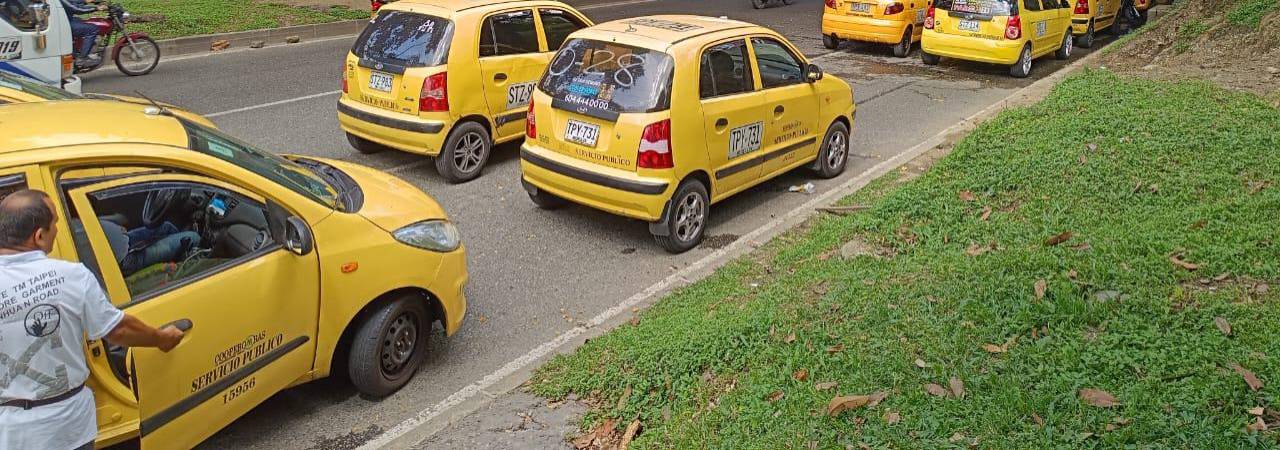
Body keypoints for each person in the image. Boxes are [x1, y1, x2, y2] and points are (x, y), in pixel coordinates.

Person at [0, 189, 184, 450]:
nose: (57, 231)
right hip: (67, 425)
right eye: (55, 225)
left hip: (11, 432)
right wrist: (162, 338)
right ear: (39, 236)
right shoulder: (71, 276)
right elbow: (118, 331)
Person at [98, 216, 201, 277]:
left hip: (124, 238)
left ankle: (176, 252)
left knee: (166, 226)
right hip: (125, 258)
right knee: (193, 237)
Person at [60, 0, 100, 66]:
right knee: (92, 29)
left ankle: (76, 51)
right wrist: (96, 8)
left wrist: (85, 1)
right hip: (64, 23)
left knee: (81, 20)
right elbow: (75, 8)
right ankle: (82, 58)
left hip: (66, 19)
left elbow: (72, 2)